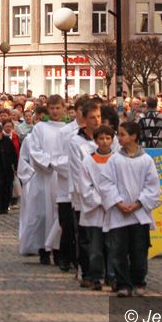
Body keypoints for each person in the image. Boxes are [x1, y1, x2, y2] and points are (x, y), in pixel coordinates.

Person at [98, 121, 161, 297]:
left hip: (139, 214)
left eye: (122, 134)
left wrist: (138, 203)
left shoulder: (146, 160)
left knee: (139, 250)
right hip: (119, 214)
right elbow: (106, 183)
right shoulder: (114, 160)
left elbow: (153, 186)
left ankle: (139, 281)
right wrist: (118, 202)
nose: (118, 138)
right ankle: (123, 283)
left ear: (133, 137)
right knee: (118, 251)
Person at [28, 95, 66, 265]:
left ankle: (59, 250)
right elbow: (35, 150)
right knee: (43, 214)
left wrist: (61, 165)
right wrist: (49, 163)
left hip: (61, 177)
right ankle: (43, 249)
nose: (55, 111)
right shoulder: (40, 128)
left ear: (64, 108)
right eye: (52, 108)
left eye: (58, 108)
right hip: (45, 176)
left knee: (59, 215)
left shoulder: (68, 129)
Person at [69, 100, 102, 285]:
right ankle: (86, 272)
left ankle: (102, 272)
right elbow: (77, 173)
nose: (96, 121)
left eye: (98, 117)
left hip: (104, 196)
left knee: (102, 236)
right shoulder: (76, 141)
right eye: (92, 117)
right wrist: (90, 196)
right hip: (83, 196)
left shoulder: (107, 138)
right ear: (84, 119)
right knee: (84, 237)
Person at [78, 125, 115, 290]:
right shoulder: (88, 161)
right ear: (95, 141)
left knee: (113, 246)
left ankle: (112, 276)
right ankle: (96, 276)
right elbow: (84, 186)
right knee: (95, 247)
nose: (104, 142)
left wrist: (112, 200)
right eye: (101, 138)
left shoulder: (117, 160)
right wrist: (100, 200)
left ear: (112, 140)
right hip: (95, 211)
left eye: (108, 138)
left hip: (113, 209)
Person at [55, 97, 85, 273]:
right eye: (82, 110)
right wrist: (74, 168)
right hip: (66, 186)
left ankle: (79, 259)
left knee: (82, 226)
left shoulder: (95, 133)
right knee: (66, 224)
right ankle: (65, 257)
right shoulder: (65, 132)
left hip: (86, 188)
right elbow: (56, 158)